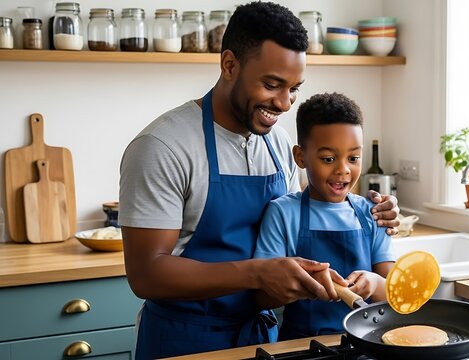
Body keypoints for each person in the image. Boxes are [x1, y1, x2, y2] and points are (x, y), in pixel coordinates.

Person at [118, 2, 400, 359]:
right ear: (230, 65)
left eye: (294, 88)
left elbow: (300, 218)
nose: (284, 103)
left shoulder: (280, 143)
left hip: (263, 339)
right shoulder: (163, 147)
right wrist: (256, 274)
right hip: (184, 340)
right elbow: (147, 275)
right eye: (272, 84)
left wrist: (376, 212)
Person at [254, 93, 396, 340]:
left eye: (353, 158)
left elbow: (396, 293)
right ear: (300, 157)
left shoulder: (372, 213)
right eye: (328, 159)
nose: (343, 169)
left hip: (367, 344)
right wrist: (303, 283)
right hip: (300, 346)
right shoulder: (283, 213)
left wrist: (373, 283)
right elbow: (261, 295)